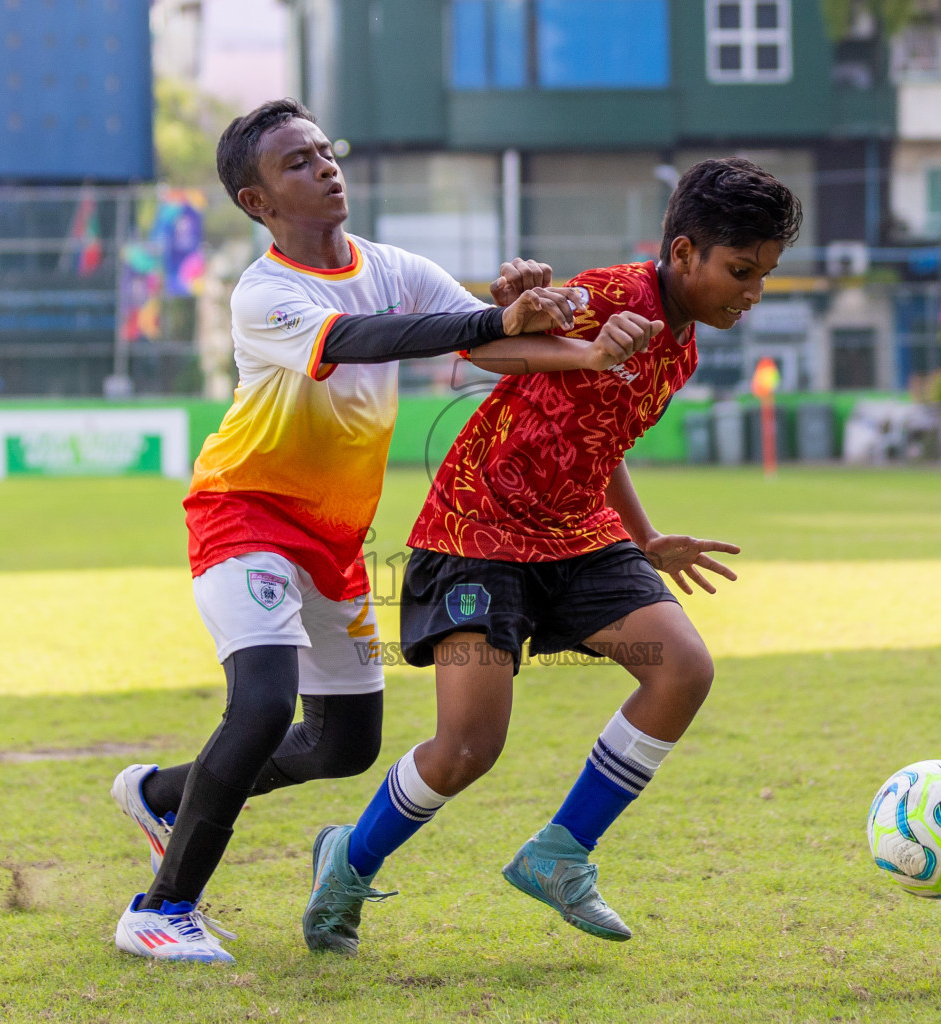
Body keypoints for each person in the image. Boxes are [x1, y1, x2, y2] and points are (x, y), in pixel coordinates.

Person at [111, 98, 647, 964]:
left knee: (345, 743)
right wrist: (492, 319)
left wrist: (575, 344)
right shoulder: (265, 293)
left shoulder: (391, 263)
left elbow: (484, 344)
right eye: (297, 162)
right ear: (257, 203)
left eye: (326, 151)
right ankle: (160, 909)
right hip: (245, 512)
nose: (325, 167)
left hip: (334, 538)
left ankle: (162, 795)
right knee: (260, 706)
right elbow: (371, 338)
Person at [301, 158, 803, 955]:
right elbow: (486, 353)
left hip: (576, 533)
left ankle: (559, 855)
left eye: (764, 275)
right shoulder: (607, 294)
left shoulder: (683, 349)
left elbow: (602, 444)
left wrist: (644, 539)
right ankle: (348, 864)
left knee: (683, 668)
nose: (751, 292)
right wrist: (588, 352)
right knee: (468, 749)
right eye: (740, 271)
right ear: (681, 254)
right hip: (478, 531)